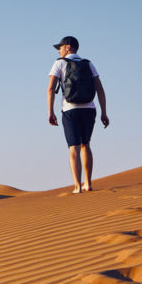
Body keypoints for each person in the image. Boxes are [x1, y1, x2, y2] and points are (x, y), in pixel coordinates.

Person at [47, 35, 109, 193]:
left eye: (60, 47)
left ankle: (77, 186)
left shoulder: (59, 63)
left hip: (70, 109)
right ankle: (88, 183)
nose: (59, 50)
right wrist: (104, 112)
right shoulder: (88, 64)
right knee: (86, 145)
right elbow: (100, 89)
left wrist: (50, 112)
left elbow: (50, 89)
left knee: (73, 148)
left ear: (68, 47)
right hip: (89, 109)